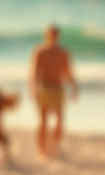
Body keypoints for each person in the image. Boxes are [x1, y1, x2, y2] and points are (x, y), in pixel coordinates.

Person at [29, 23, 78, 157]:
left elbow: (68, 72)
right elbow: (34, 73)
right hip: (44, 87)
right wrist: (33, 89)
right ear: (46, 36)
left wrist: (74, 87)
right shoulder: (40, 51)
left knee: (60, 122)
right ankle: (42, 149)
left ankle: (54, 145)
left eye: (54, 35)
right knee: (43, 121)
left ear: (58, 36)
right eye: (50, 35)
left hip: (58, 88)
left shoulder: (63, 53)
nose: (53, 38)